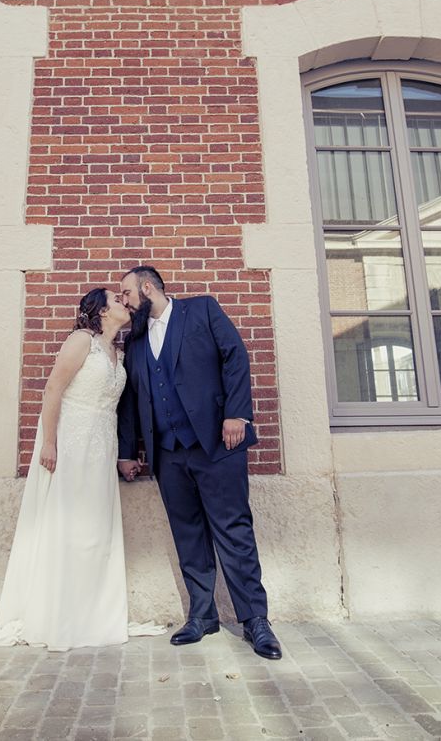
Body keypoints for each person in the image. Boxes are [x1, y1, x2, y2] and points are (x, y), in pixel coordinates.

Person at [0, 288, 164, 651]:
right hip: (71, 443)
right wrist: (49, 442)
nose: (124, 303)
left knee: (96, 530)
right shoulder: (81, 341)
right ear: (101, 311)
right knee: (68, 527)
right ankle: (58, 614)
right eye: (117, 300)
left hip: (101, 447)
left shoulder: (118, 352)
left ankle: (93, 614)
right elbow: (53, 390)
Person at [116, 266, 282, 660]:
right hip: (168, 453)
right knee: (188, 534)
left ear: (147, 287)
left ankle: (255, 620)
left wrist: (236, 415)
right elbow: (130, 400)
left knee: (233, 530)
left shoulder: (202, 310)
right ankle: (202, 616)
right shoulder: (135, 341)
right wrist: (127, 451)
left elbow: (235, 357)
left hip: (218, 444)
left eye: (126, 293)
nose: (124, 301)